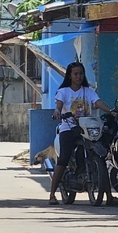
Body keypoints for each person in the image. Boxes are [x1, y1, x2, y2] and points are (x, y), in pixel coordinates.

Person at [48, 62, 113, 205]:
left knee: (100, 156)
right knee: (64, 158)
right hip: (69, 129)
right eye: (75, 74)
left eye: (81, 73)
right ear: (70, 76)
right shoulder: (63, 91)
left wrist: (110, 111)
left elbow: (98, 102)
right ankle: (52, 194)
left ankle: (109, 197)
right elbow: (59, 104)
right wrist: (57, 111)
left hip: (87, 128)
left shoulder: (88, 91)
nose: (79, 76)